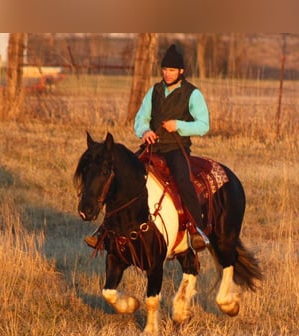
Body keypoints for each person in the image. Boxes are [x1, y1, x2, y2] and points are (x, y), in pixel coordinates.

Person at [85, 44, 211, 251]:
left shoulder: (193, 94)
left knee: (183, 180)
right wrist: (145, 131)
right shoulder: (154, 91)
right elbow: (141, 118)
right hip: (151, 147)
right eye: (164, 69)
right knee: (118, 176)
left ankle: (196, 230)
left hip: (176, 150)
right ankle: (104, 230)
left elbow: (204, 125)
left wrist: (178, 125)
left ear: (181, 71)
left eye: (171, 70)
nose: (167, 74)